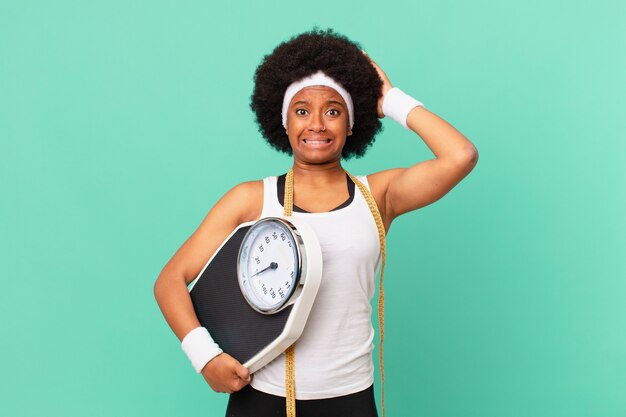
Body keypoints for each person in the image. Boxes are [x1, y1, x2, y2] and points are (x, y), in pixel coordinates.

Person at [154, 28, 478, 417]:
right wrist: (204, 357)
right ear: (285, 122)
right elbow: (170, 280)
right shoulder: (251, 199)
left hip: (351, 398)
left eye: (334, 110)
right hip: (262, 398)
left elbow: (460, 155)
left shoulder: (378, 196)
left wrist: (390, 100)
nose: (317, 124)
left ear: (352, 123)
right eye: (302, 110)